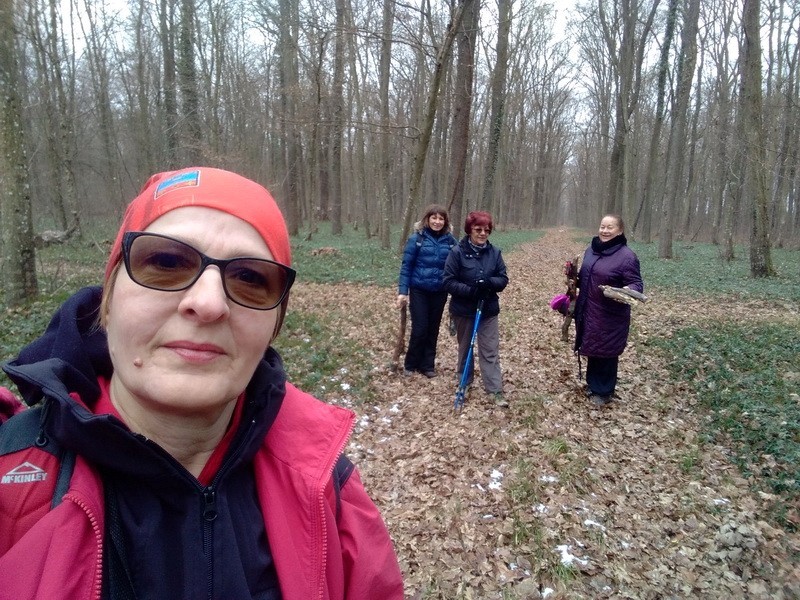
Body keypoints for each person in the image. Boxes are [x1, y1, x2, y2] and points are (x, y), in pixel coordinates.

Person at [0, 167, 404, 599]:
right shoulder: (14, 486)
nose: (209, 303)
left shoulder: (329, 492)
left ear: (274, 325)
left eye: (250, 278)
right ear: (109, 298)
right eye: (166, 263)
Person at [573, 214, 644, 406]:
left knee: (607, 350)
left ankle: (604, 391)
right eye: (602, 226)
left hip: (610, 314)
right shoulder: (591, 250)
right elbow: (585, 277)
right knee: (593, 347)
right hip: (588, 309)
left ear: (619, 231)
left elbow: (636, 283)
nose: (604, 231)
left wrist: (627, 290)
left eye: (610, 227)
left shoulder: (627, 256)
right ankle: (593, 384)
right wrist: (573, 278)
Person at [442, 211, 509, 407]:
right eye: (478, 229)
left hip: (488, 309)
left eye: (486, 230)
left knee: (490, 349)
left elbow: (503, 279)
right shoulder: (457, 252)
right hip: (463, 309)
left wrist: (489, 283)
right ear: (470, 230)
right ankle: (464, 382)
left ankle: (494, 389)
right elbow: (448, 281)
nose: (482, 234)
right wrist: (471, 290)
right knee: (465, 348)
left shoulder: (495, 252)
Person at [396, 204, 457, 378]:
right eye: (434, 218)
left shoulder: (451, 242)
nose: (437, 222)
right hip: (419, 290)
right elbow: (406, 266)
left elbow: (458, 265)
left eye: (441, 219)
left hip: (440, 291)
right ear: (427, 219)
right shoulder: (417, 239)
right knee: (420, 328)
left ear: (445, 222)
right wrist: (402, 291)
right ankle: (411, 364)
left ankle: (427, 365)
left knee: (433, 329)